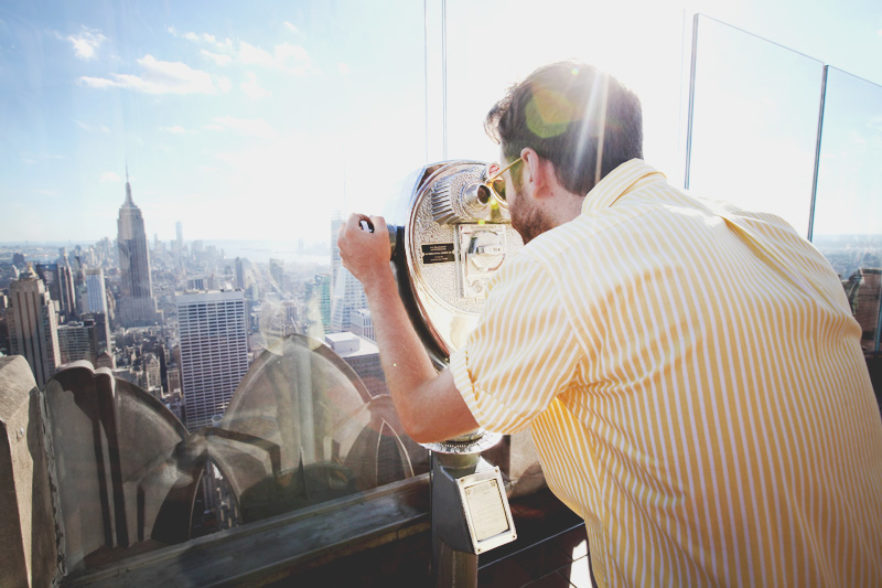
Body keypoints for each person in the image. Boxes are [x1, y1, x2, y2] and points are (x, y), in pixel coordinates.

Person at [337, 61, 882, 586]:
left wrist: (376, 276)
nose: (502, 207)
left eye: (504, 183)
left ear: (535, 168)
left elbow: (424, 417)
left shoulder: (560, 267)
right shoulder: (780, 236)